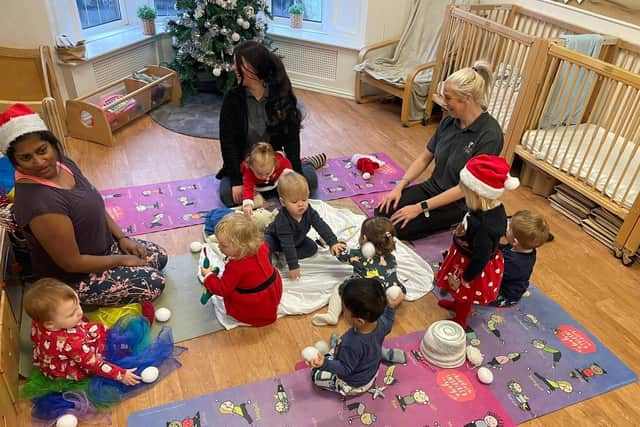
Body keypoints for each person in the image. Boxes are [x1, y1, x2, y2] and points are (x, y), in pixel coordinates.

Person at [3, 104, 167, 306]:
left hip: (103, 249)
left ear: (53, 144)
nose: (39, 162)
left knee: (159, 257)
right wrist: (122, 260)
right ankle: (79, 299)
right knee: (154, 282)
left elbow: (94, 203)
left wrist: (122, 238)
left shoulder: (63, 163)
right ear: (15, 162)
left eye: (42, 150)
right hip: (73, 278)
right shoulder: (39, 202)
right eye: (26, 158)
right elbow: (71, 263)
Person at [376, 60, 504, 240]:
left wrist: (419, 207)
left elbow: (464, 188)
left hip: (459, 202)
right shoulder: (449, 121)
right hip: (432, 187)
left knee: (398, 228)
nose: (443, 103)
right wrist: (399, 187)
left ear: (467, 98)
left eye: (448, 98)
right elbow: (424, 157)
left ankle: (456, 221)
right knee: (382, 211)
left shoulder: (490, 135)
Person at [217, 40, 325, 207]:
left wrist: (296, 175)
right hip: (246, 167)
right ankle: (263, 190)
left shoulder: (281, 95)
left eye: (238, 64)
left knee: (308, 183)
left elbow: (292, 140)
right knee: (229, 195)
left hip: (275, 166)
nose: (233, 68)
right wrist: (237, 181)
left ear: (255, 68)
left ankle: (307, 163)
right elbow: (228, 143)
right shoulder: (232, 99)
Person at [437, 155, 518, 328]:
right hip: (465, 255)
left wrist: (467, 277)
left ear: (477, 194)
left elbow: (481, 257)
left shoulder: (485, 226)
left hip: (472, 265)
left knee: (464, 293)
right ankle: (456, 304)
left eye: (466, 193)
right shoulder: (487, 208)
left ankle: (461, 319)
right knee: (458, 290)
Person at [24, 278, 142, 385]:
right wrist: (121, 375)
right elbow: (94, 364)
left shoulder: (39, 321)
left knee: (96, 328)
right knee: (109, 347)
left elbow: (35, 338)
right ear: (50, 324)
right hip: (70, 366)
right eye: (72, 314)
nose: (80, 312)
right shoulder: (72, 343)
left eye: (78, 305)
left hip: (56, 354)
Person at [307, 278, 404, 396]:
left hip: (354, 384)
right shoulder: (381, 322)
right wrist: (391, 307)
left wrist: (324, 364)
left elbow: (345, 369)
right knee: (358, 351)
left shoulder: (352, 343)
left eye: (344, 309)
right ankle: (384, 354)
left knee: (315, 374)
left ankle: (333, 355)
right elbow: (389, 321)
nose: (343, 310)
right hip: (371, 370)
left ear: (359, 321)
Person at [312, 216, 404, 326]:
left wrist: (336, 245)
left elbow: (342, 254)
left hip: (362, 296)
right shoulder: (391, 259)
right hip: (381, 298)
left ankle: (332, 315)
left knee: (339, 287)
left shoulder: (360, 255)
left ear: (364, 238)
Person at [200, 213, 283, 327]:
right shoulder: (262, 246)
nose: (219, 247)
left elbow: (222, 289)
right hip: (273, 292)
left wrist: (209, 276)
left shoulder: (235, 267)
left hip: (255, 307)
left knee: (231, 294)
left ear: (241, 246)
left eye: (223, 245)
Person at [264, 170, 345, 280]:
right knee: (264, 246)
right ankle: (266, 268)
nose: (301, 204)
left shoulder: (308, 211)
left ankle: (283, 256)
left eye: (304, 199)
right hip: (276, 240)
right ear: (283, 202)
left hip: (297, 240)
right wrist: (293, 266)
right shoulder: (283, 220)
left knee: (312, 247)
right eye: (294, 201)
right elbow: (287, 243)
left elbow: (321, 225)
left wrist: (333, 242)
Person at [493, 210, 549, 306]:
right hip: (510, 282)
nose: (506, 227)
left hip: (506, 295)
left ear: (515, 241)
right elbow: (502, 249)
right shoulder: (524, 248)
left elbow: (493, 272)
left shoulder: (514, 263)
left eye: (509, 228)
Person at [241, 142, 292, 217]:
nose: (264, 177)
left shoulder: (281, 162)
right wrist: (248, 204)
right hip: (258, 189)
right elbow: (247, 188)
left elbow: (290, 173)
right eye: (259, 174)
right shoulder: (249, 171)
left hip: (276, 184)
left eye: (267, 173)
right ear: (251, 167)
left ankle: (308, 162)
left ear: (274, 164)